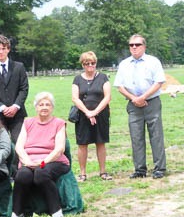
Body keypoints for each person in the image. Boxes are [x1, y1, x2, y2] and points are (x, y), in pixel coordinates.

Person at [10, 92, 71, 217]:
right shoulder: (28, 122)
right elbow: (19, 146)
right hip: (29, 160)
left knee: (41, 173)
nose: (44, 107)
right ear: (36, 107)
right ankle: (16, 214)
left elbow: (60, 149)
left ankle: (56, 212)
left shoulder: (59, 123)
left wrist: (43, 162)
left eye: (47, 105)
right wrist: (26, 161)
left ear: (52, 107)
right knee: (22, 175)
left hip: (53, 160)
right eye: (41, 104)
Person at [114, 34, 167, 179]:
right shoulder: (124, 64)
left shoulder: (153, 62)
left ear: (144, 46)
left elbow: (159, 82)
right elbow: (119, 86)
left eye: (137, 44)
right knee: (136, 136)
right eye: (131, 45)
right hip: (133, 104)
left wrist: (143, 97)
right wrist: (134, 98)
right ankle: (140, 169)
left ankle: (159, 168)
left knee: (156, 135)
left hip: (152, 102)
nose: (134, 47)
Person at [71, 51, 112, 182]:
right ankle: (82, 173)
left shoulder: (103, 77)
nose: (90, 66)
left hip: (101, 115)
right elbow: (75, 98)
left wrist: (95, 112)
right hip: (82, 116)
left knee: (101, 142)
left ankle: (103, 172)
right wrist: (87, 113)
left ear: (96, 63)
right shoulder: (77, 79)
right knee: (82, 144)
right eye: (87, 63)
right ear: (82, 65)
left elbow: (107, 97)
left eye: (93, 63)